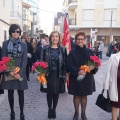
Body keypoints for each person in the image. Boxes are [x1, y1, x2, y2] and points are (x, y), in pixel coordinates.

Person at [66, 32, 98, 120]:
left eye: (82, 39)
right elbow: (68, 65)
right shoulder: (72, 52)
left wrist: (92, 67)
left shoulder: (89, 51)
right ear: (75, 40)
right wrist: (78, 71)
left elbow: (95, 63)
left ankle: (83, 114)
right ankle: (76, 113)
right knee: (76, 95)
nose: (80, 41)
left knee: (84, 96)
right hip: (76, 77)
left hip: (87, 78)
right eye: (78, 39)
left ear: (84, 40)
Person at [0, 24, 28, 120]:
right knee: (10, 93)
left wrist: (19, 73)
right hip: (9, 73)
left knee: (21, 93)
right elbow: (3, 58)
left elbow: (25, 60)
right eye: (14, 31)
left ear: (20, 33)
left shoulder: (24, 44)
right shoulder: (5, 43)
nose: (16, 33)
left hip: (20, 72)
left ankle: (21, 113)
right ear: (10, 32)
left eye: (18, 31)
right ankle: (12, 112)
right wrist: (9, 71)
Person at [40, 31, 67, 119]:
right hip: (48, 74)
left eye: (56, 36)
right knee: (49, 93)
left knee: (56, 93)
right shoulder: (45, 48)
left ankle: (54, 109)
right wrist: (41, 72)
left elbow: (65, 62)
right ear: (50, 38)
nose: (55, 38)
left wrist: (65, 74)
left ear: (59, 38)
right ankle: (49, 109)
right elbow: (41, 61)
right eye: (53, 36)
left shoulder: (63, 49)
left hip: (58, 74)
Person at [103, 49, 120, 120]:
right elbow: (108, 71)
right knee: (115, 104)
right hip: (115, 84)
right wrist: (106, 85)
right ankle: (113, 118)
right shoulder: (113, 57)